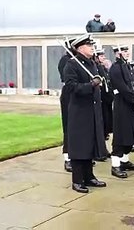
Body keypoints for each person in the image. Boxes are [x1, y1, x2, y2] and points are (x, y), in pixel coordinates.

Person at [63, 33, 108, 193]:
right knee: (79, 146)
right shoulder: (72, 64)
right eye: (90, 46)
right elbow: (71, 87)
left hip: (92, 109)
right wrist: (91, 85)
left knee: (89, 144)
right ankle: (77, 180)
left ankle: (89, 176)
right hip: (80, 111)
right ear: (81, 48)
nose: (92, 48)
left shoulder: (91, 64)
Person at [109, 45, 134, 178]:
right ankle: (116, 165)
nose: (127, 53)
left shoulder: (127, 66)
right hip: (122, 104)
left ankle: (124, 160)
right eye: (124, 51)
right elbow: (122, 87)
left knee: (129, 132)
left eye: (127, 51)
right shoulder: (116, 68)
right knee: (121, 134)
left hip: (130, 103)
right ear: (117, 53)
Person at [58, 36, 77, 172]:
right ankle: (68, 158)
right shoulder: (66, 61)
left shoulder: (78, 61)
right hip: (69, 95)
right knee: (68, 126)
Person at [93, 48, 113, 148]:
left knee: (106, 123)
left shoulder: (102, 67)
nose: (103, 57)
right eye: (101, 56)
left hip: (106, 98)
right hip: (100, 99)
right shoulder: (95, 67)